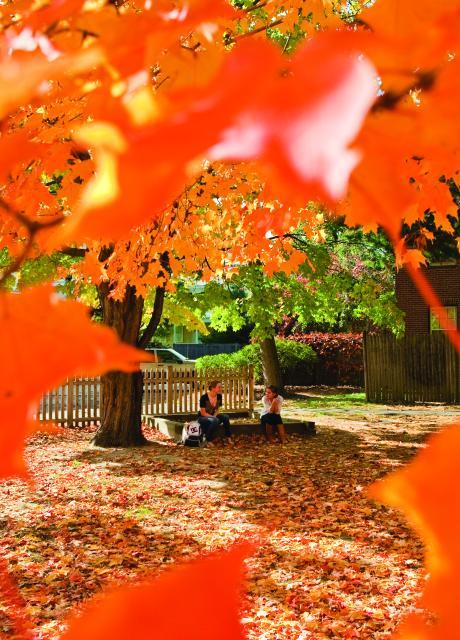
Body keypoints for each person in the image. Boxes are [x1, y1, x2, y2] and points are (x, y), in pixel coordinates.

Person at [198, 381, 233, 446]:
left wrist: (214, 416)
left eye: (221, 387)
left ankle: (228, 438)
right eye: (219, 387)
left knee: (226, 417)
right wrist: (213, 417)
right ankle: (208, 439)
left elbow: (217, 410)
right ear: (213, 388)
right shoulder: (204, 397)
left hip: (213, 416)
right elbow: (203, 413)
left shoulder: (219, 396)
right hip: (203, 417)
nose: (221, 389)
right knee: (215, 420)